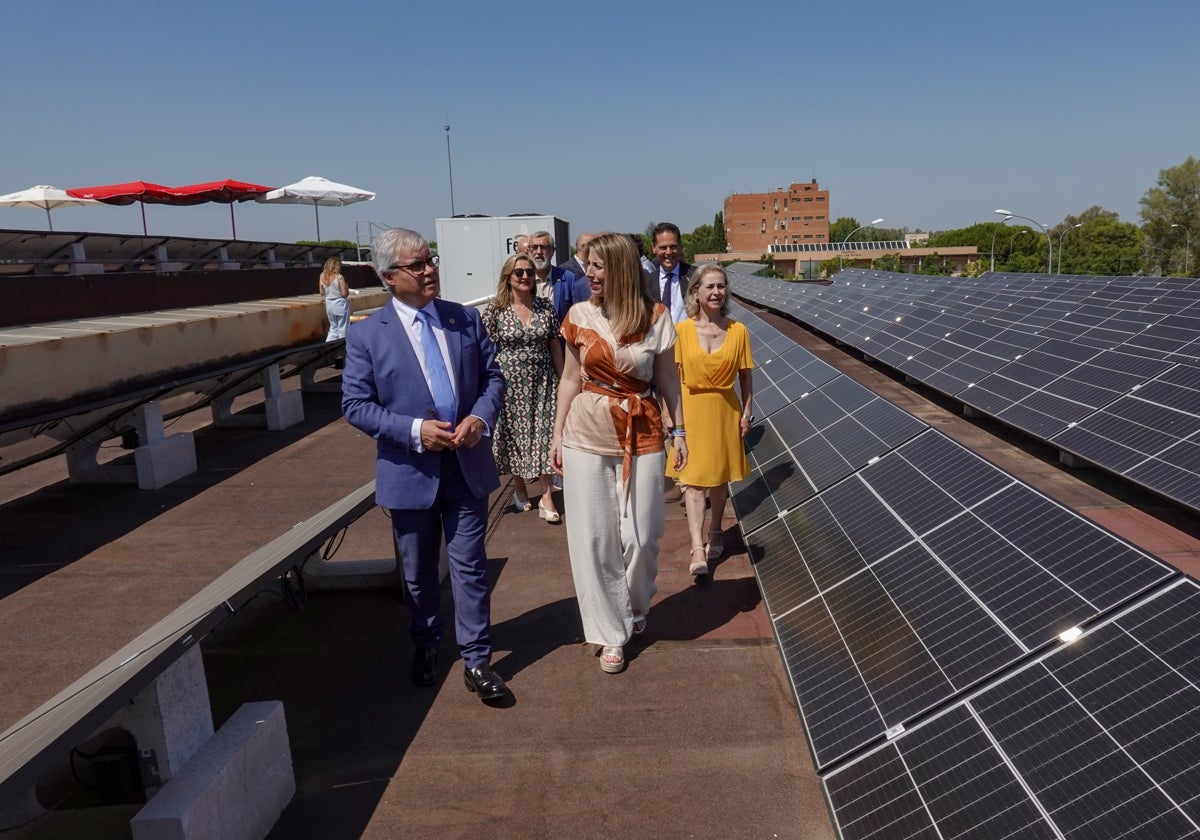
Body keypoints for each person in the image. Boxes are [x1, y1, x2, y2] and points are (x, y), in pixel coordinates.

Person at [341, 228, 511, 703]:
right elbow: (355, 405)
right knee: (417, 572)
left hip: (466, 464)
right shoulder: (366, 336)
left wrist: (479, 417)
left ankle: (477, 661)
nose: (429, 270)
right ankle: (427, 645)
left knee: (470, 566)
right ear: (389, 277)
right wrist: (416, 431)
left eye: (429, 260)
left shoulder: (463, 320)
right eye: (416, 266)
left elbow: (493, 377)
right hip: (410, 471)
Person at [550, 232, 687, 674]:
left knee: (642, 535)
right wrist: (555, 436)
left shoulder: (657, 316)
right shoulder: (577, 314)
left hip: (642, 427)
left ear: (622, 270)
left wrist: (679, 430)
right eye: (588, 265)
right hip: (584, 430)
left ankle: (633, 602)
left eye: (598, 266)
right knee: (594, 537)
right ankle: (611, 632)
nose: (588, 273)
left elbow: (667, 380)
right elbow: (570, 378)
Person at [667, 264, 754, 577]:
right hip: (689, 412)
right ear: (696, 292)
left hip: (724, 411)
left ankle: (715, 529)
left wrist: (746, 412)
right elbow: (672, 379)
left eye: (721, 286)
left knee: (718, 481)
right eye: (710, 287)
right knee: (692, 483)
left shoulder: (739, 331)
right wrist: (671, 421)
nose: (717, 292)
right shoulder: (680, 331)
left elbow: (746, 377)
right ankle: (697, 547)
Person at [483, 253, 564, 522]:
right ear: (508, 277)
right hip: (509, 383)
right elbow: (483, 350)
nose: (525, 277)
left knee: (545, 436)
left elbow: (554, 345)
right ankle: (519, 489)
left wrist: (564, 380)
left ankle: (547, 496)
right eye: (519, 272)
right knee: (515, 438)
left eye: (529, 272)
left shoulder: (545, 307)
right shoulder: (495, 310)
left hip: (543, 381)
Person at [649, 222, 696, 502]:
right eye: (663, 247)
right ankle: (671, 473)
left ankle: (690, 472)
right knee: (663, 416)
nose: (669, 252)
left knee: (687, 413)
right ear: (655, 249)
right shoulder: (647, 282)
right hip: (658, 358)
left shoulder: (695, 277)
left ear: (680, 246)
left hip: (690, 357)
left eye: (673, 246)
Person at [319, 256, 350, 342]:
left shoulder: (322, 276)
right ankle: (342, 347)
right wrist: (347, 287)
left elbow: (322, 292)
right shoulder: (339, 277)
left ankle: (329, 346)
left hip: (329, 304)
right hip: (340, 303)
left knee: (333, 328)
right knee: (343, 328)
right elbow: (345, 294)